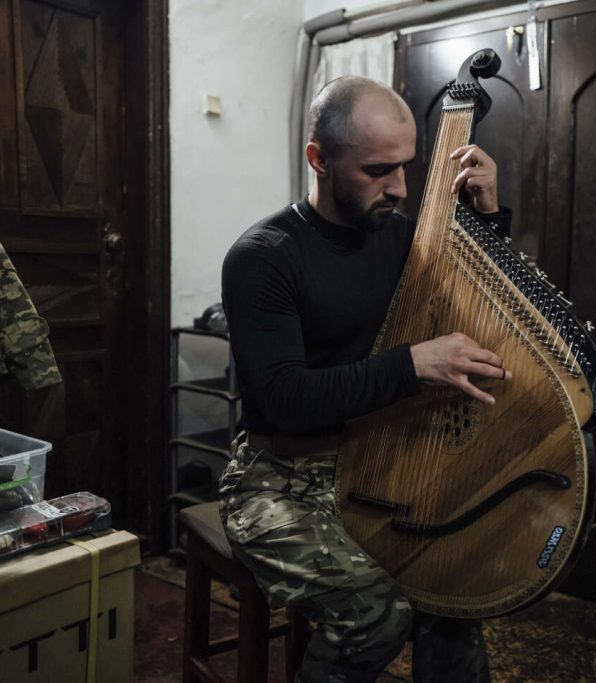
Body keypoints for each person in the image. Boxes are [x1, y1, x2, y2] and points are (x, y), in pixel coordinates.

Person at [219, 75, 513, 683]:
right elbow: (282, 400)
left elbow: (478, 302)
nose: (399, 188)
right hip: (280, 478)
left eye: (405, 167)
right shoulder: (264, 256)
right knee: (376, 613)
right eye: (378, 170)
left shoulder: (400, 237)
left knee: (455, 593)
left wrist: (487, 215)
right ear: (319, 159)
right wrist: (412, 365)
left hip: (381, 461)